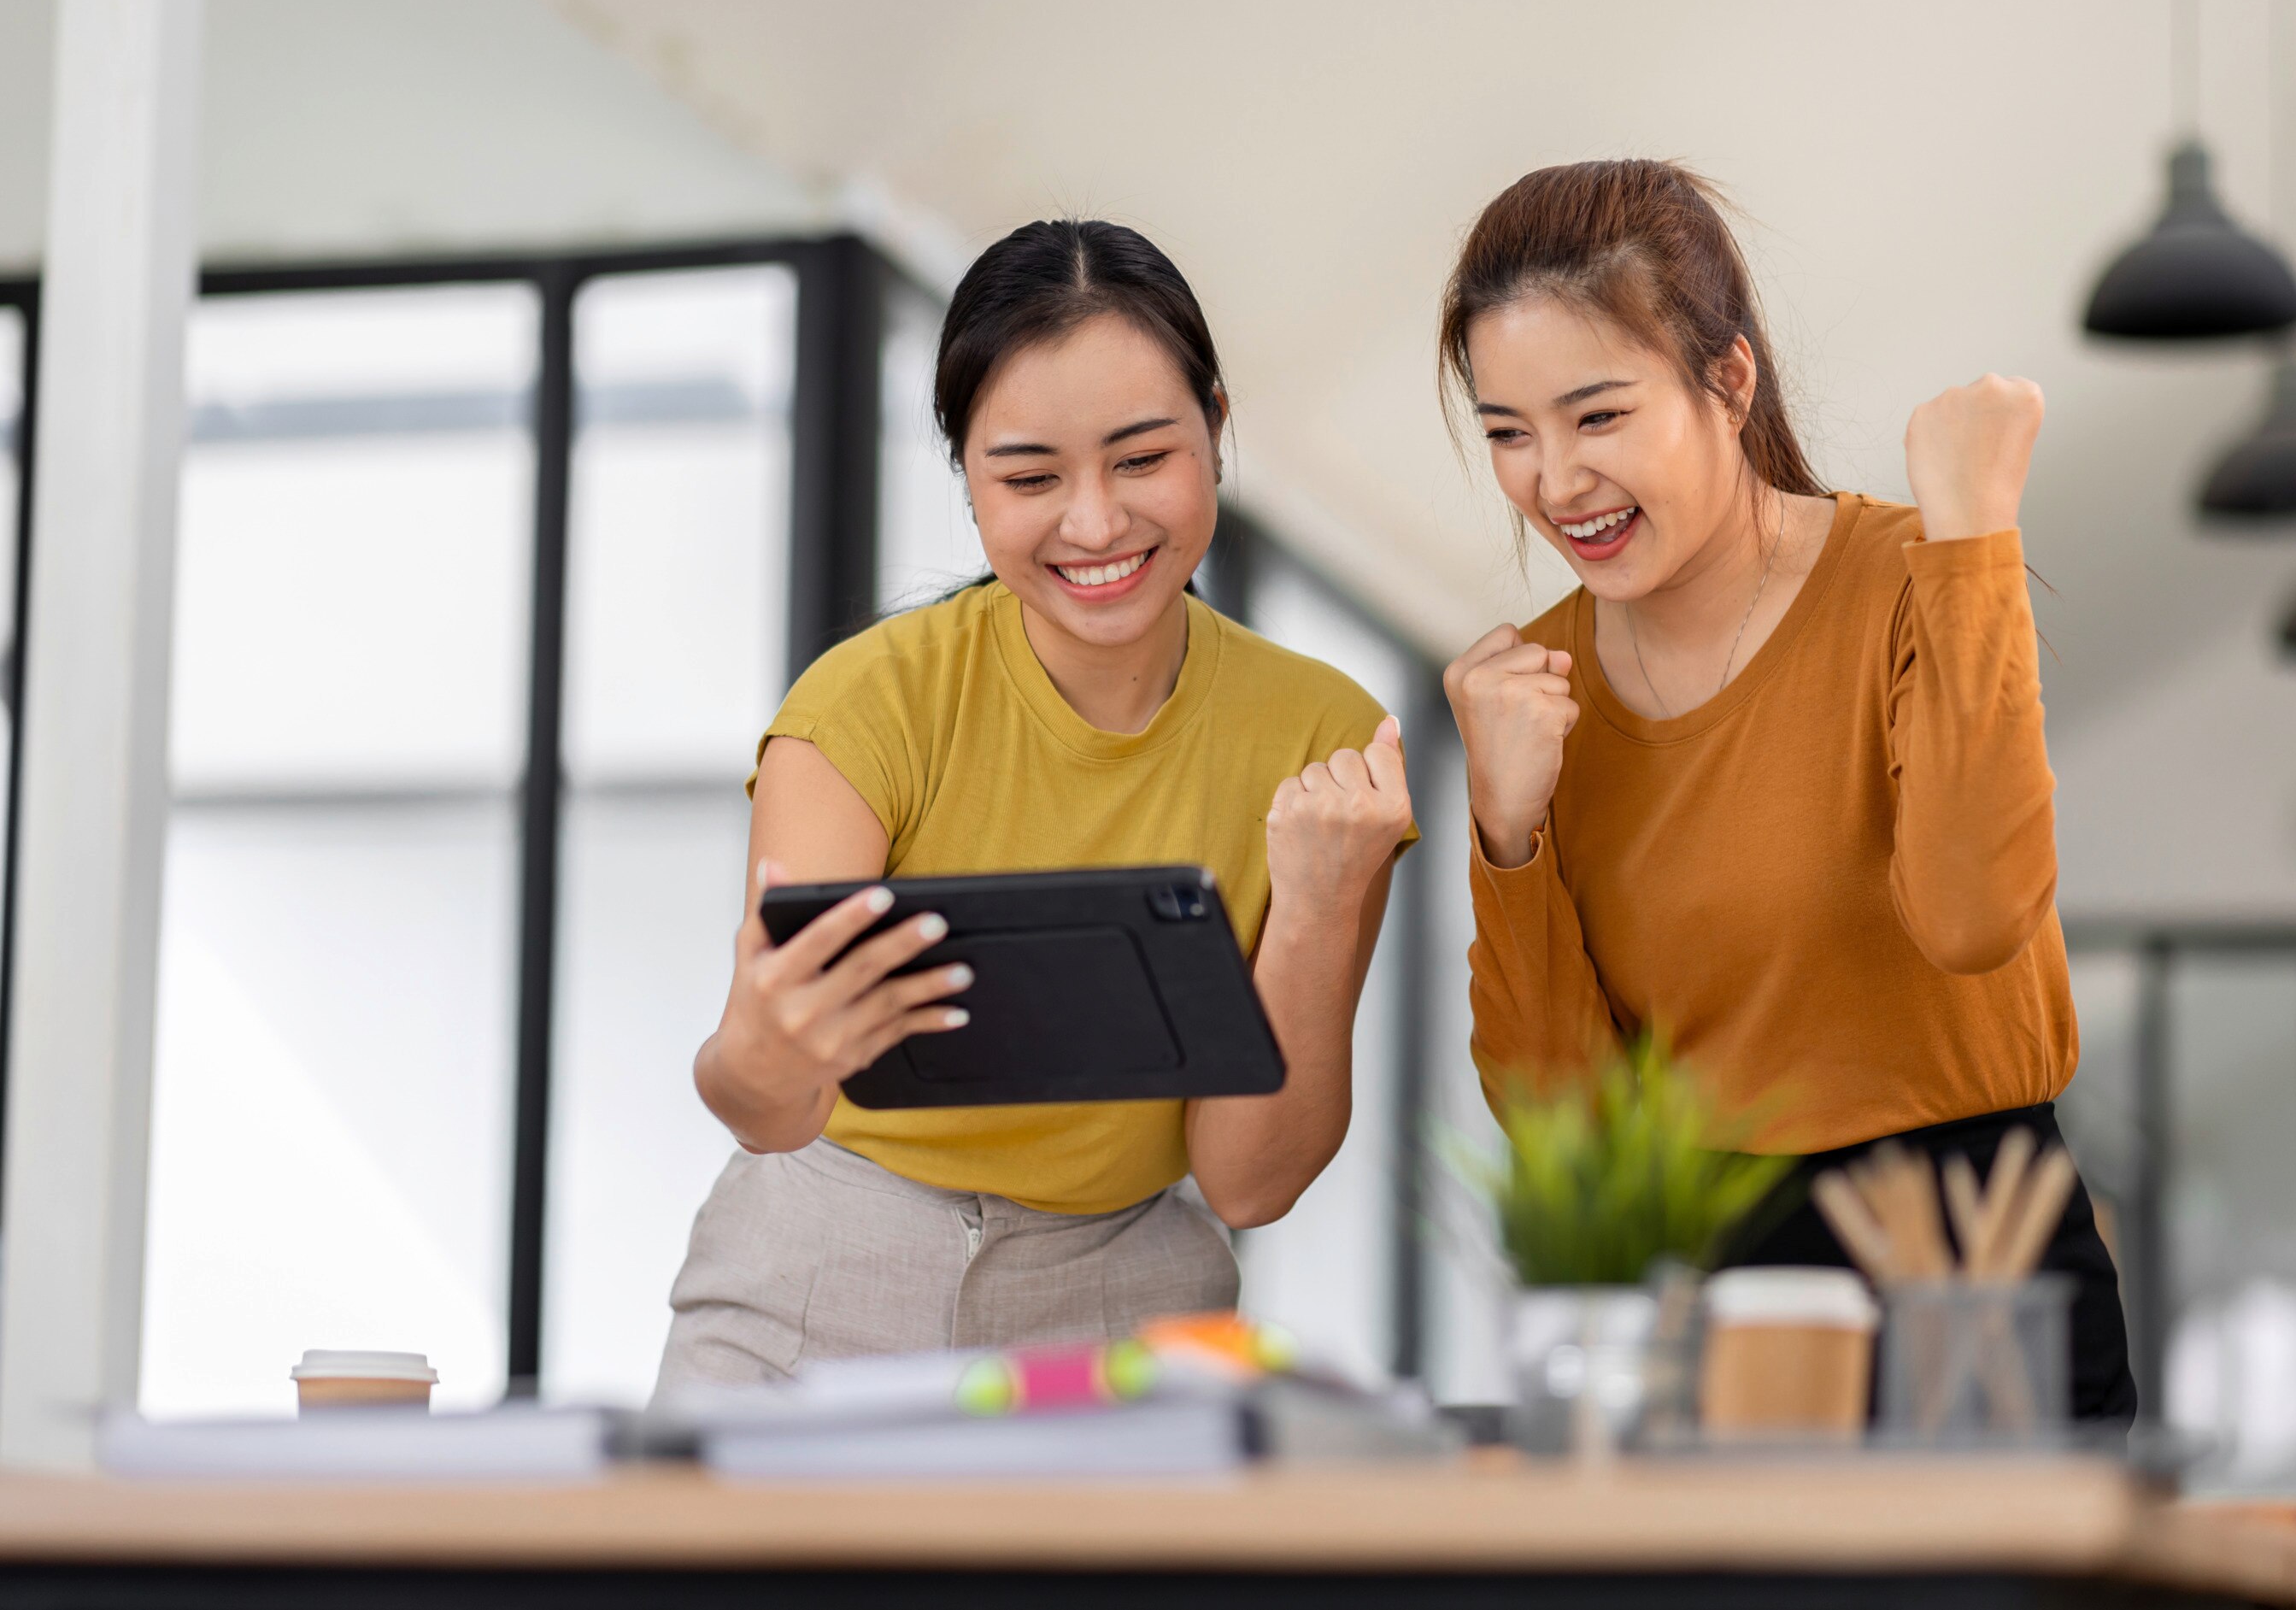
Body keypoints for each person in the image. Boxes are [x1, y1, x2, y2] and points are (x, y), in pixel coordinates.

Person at [655, 220, 1414, 1391]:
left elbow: (1250, 1182)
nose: (1096, 523)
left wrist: (1315, 908)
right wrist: (754, 1053)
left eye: (1142, 459)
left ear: (1216, 428)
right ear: (967, 479)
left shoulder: (1326, 742)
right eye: (1029, 478)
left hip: (1124, 1294)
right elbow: (771, 1109)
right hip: (820, 1278)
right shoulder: (864, 708)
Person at [1439, 160, 2131, 1422]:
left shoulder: (1918, 578)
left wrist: (1976, 532)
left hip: (1973, 1259)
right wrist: (1506, 832)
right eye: (1508, 433)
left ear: (1730, 381)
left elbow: (1977, 916)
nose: (1555, 480)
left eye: (1598, 417)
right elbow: (1565, 1128)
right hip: (1712, 1297)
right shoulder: (1531, 692)